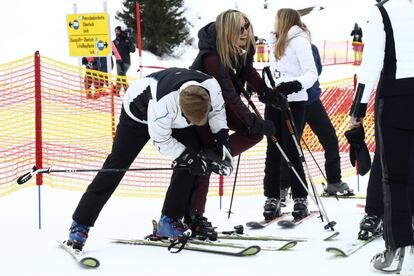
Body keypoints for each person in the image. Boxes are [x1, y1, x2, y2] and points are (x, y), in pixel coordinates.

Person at [65, 67, 232, 251]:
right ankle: (80, 224)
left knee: (191, 160)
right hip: (137, 115)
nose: (193, 123)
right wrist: (189, 158)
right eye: (190, 119)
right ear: (180, 108)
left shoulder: (210, 86)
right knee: (115, 166)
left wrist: (222, 139)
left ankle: (170, 219)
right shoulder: (164, 103)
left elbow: (217, 113)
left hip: (174, 118)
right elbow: (161, 141)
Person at [189, 9, 284, 229]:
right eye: (239, 28)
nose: (244, 32)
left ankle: (215, 156)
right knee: (204, 157)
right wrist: (253, 120)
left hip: (223, 105)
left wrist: (265, 91)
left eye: (247, 26)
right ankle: (195, 215)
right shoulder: (212, 56)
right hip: (201, 108)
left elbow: (247, 71)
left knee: (251, 134)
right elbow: (228, 94)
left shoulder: (245, 46)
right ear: (227, 30)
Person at [349, 0, 414, 273]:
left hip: (396, 99)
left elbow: (372, 63)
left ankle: (396, 251)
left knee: (394, 179)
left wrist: (357, 110)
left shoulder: (380, 11)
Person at [263, 8, 318, 220]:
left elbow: (311, 73)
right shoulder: (274, 41)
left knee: (291, 150)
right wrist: (265, 88)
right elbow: (273, 72)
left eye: (277, 19)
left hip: (294, 102)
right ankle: (272, 198)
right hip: (275, 102)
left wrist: (294, 85)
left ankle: (300, 198)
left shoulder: (299, 41)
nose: (274, 23)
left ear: (284, 20)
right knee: (273, 149)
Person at [279, 44, 352, 202]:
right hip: (294, 103)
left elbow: (316, 70)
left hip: (312, 101)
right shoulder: (284, 48)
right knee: (290, 145)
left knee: (330, 138)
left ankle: (334, 181)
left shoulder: (311, 48)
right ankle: (283, 185)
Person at [112, 26, 136, 96]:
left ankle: (119, 91)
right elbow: (111, 51)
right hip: (118, 61)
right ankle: (124, 91)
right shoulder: (115, 41)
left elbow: (133, 50)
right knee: (121, 75)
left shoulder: (127, 39)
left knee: (121, 75)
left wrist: (129, 41)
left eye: (118, 31)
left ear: (121, 31)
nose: (116, 33)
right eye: (115, 31)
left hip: (126, 62)